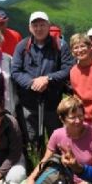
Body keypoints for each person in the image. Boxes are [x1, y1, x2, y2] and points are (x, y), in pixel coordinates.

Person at [11, 11, 73, 146]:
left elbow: (68, 69)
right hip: (29, 103)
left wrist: (48, 79)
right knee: (31, 140)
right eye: (35, 25)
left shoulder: (60, 45)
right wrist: (32, 83)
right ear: (29, 28)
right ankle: (36, 164)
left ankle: (56, 164)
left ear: (48, 26)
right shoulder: (22, 46)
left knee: (56, 139)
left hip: (53, 102)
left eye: (42, 25)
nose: (38, 28)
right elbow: (15, 71)